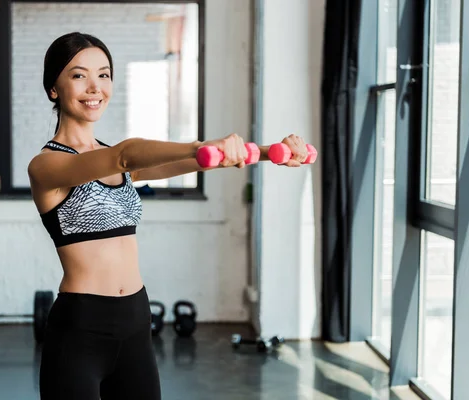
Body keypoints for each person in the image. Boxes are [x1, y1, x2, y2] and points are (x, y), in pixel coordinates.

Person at [27, 32, 310, 400]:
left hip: (135, 322)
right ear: (54, 88)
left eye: (105, 74)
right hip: (80, 329)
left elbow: (196, 162)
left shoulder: (120, 161)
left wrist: (274, 152)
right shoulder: (48, 166)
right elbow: (126, 155)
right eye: (79, 75)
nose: (95, 87)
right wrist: (203, 145)